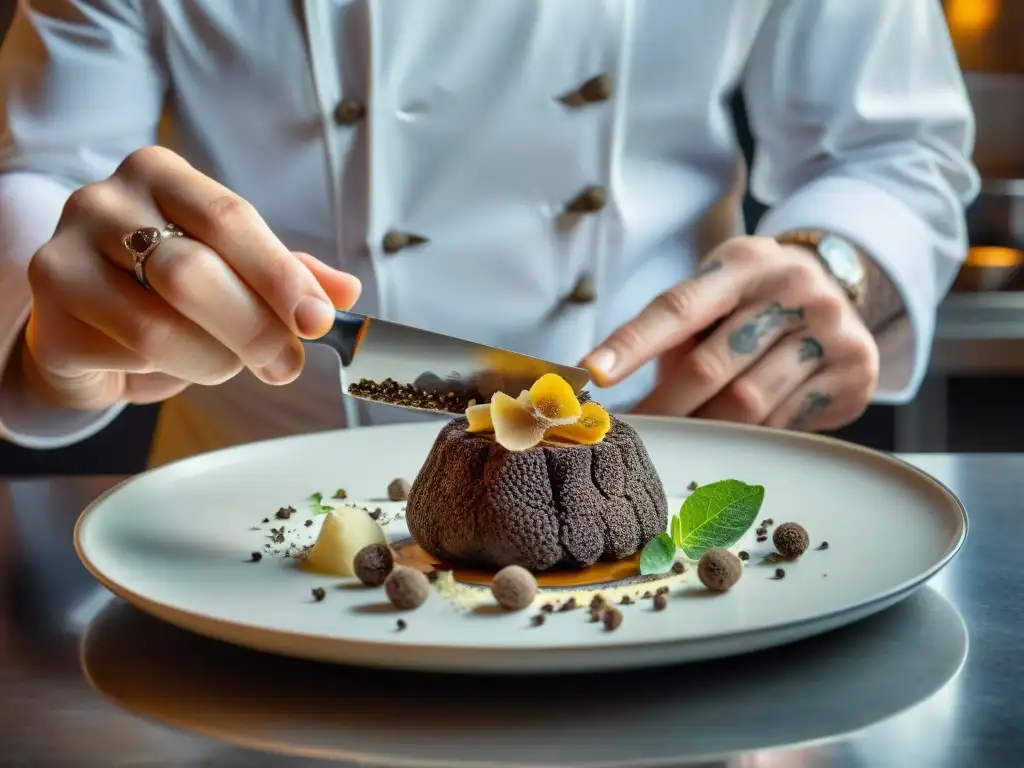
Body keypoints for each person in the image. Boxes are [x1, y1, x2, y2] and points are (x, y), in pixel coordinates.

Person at [0, 0, 978, 467]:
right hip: (240, 520)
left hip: (664, 479)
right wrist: (60, 318)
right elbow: (46, 177)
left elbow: (892, 152)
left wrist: (837, 269)